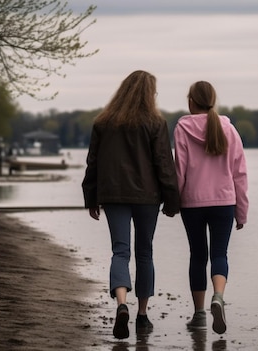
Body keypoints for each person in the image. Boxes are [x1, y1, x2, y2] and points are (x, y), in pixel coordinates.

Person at [81, 70, 180, 340]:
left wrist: (90, 197)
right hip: (147, 197)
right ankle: (142, 315)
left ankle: (122, 304)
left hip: (113, 195)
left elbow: (93, 161)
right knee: (145, 253)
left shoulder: (103, 123)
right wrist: (172, 200)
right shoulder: (155, 123)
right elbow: (163, 163)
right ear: (150, 94)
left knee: (120, 251)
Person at [173, 81, 248, 334]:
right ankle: (218, 296)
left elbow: (180, 170)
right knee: (219, 254)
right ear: (212, 101)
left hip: (192, 202)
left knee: (197, 255)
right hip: (225, 202)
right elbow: (240, 173)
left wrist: (174, 201)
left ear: (191, 101)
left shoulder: (182, 128)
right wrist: (242, 210)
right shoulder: (229, 129)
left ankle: (199, 315)